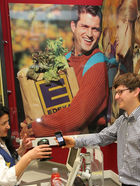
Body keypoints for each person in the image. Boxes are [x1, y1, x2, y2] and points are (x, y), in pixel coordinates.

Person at [20, 5, 109, 137]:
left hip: (86, 143)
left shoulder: (97, 64)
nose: (90, 34)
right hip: (62, 138)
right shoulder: (64, 59)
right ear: (73, 26)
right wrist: (30, 122)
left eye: (95, 29)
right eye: (84, 26)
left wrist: (35, 127)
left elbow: (77, 117)